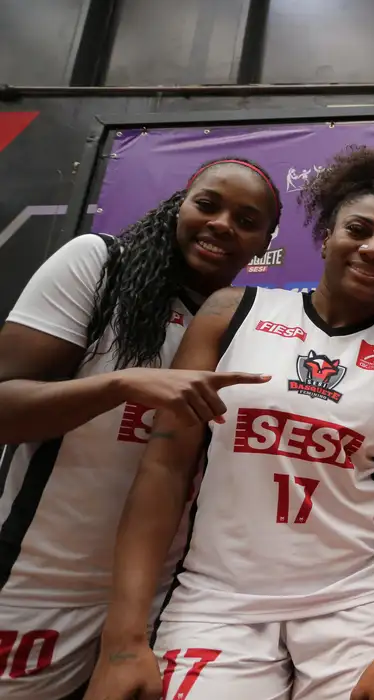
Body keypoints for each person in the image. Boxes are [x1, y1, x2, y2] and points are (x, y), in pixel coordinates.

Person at [84, 146, 374, 700]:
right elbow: (164, 471)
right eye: (358, 230)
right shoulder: (232, 312)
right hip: (218, 601)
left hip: (350, 606)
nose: (373, 249)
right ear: (326, 236)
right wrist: (124, 636)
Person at [0, 157, 282, 700]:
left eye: (246, 221)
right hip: (34, 584)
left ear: (264, 243)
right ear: (180, 205)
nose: (222, 224)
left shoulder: (248, 324)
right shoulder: (100, 264)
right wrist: (120, 385)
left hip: (157, 602)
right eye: (208, 204)